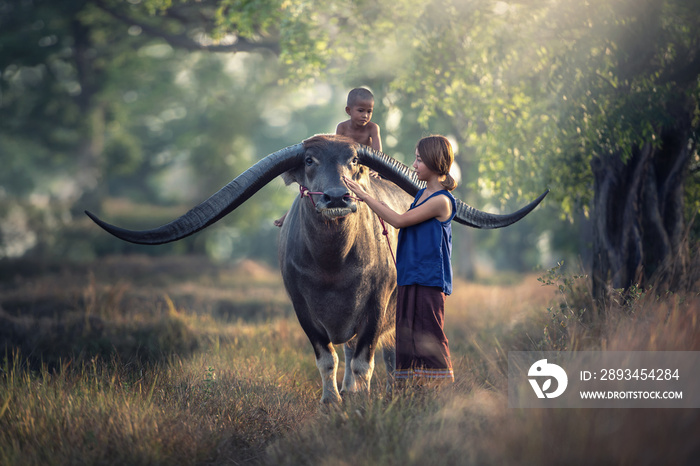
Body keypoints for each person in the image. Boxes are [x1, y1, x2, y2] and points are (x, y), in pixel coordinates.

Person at [343, 135, 457, 389]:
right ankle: (410, 393)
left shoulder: (440, 201)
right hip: (409, 276)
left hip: (429, 279)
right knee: (406, 337)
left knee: (430, 336)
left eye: (419, 160)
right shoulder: (421, 194)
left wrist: (364, 195)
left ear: (435, 162)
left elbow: (399, 220)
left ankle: (443, 394)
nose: (414, 165)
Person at [274, 88, 383, 227]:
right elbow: (336, 149)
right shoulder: (342, 127)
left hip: (363, 167)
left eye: (369, 111)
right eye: (361, 111)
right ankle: (288, 214)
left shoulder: (373, 128)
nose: (365, 116)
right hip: (342, 168)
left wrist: (376, 169)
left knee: (383, 189)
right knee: (309, 189)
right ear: (348, 111)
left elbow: (378, 153)